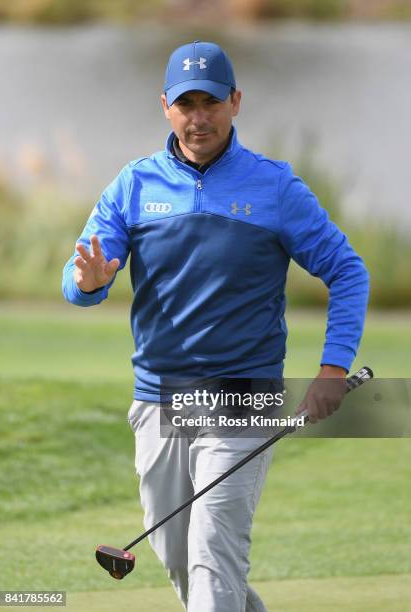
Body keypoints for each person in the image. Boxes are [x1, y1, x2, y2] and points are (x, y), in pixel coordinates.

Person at [62, 40, 369, 611]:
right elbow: (77, 281)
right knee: (176, 553)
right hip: (159, 398)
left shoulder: (276, 187)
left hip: (242, 397)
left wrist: (333, 366)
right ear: (165, 107)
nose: (198, 118)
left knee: (212, 551)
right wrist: (88, 284)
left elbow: (347, 270)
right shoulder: (134, 185)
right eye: (186, 104)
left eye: (211, 103)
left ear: (236, 102)